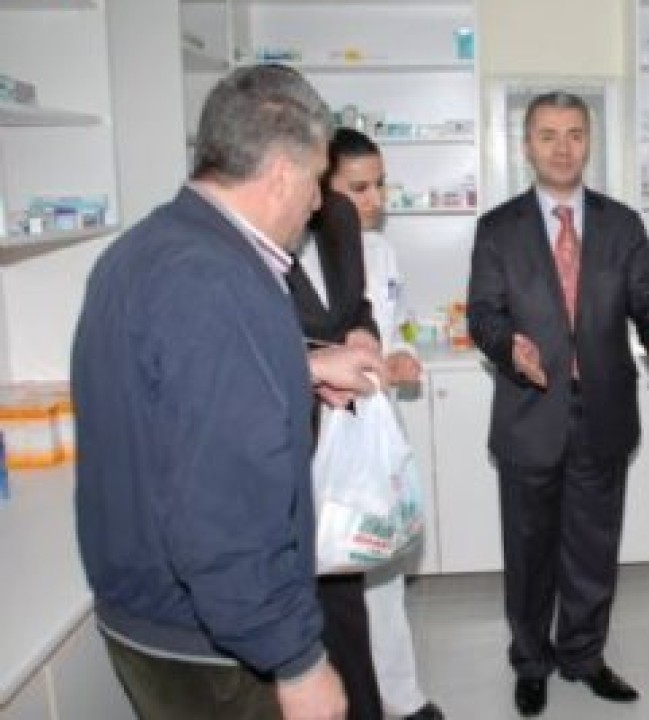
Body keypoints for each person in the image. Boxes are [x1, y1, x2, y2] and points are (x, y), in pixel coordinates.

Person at [72, 63, 383, 720]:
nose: (318, 203)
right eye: (316, 178)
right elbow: (224, 505)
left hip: (151, 612)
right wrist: (297, 661)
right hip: (214, 647)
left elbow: (172, 394)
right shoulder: (215, 284)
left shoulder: (147, 249)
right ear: (282, 175)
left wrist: (304, 366)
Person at [467, 90, 649, 718]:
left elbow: (647, 298)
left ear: (589, 142)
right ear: (527, 145)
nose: (563, 147)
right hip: (529, 412)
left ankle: (584, 655)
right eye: (548, 135)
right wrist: (507, 345)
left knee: (593, 548)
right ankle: (531, 662)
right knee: (529, 552)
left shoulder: (622, 224)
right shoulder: (498, 228)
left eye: (574, 134)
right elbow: (483, 313)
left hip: (603, 411)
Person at [322, 126, 442, 720]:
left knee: (384, 569)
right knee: (338, 578)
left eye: (381, 185)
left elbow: (390, 332)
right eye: (359, 188)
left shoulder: (381, 249)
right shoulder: (307, 254)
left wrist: (399, 357)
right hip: (331, 437)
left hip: (378, 431)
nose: (376, 200)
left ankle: (401, 697)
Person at [290, 173, 384, 720]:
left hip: (341, 436)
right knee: (293, 611)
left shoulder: (339, 217)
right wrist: (310, 366)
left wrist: (364, 332)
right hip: (281, 443)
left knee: (344, 598)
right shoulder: (243, 236)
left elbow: (354, 305)